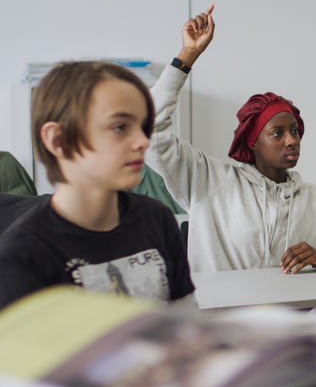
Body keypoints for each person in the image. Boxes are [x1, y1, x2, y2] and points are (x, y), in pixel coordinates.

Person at [146, 6, 316, 274]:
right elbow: (150, 129)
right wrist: (188, 55)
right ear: (252, 141)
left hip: (291, 313)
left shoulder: (314, 199)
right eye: (277, 134)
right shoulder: (207, 180)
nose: (291, 141)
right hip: (220, 314)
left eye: (295, 131)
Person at [0, 62, 195, 310]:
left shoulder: (157, 219)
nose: (141, 141)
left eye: (142, 126)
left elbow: (185, 324)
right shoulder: (22, 257)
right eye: (119, 127)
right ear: (58, 140)